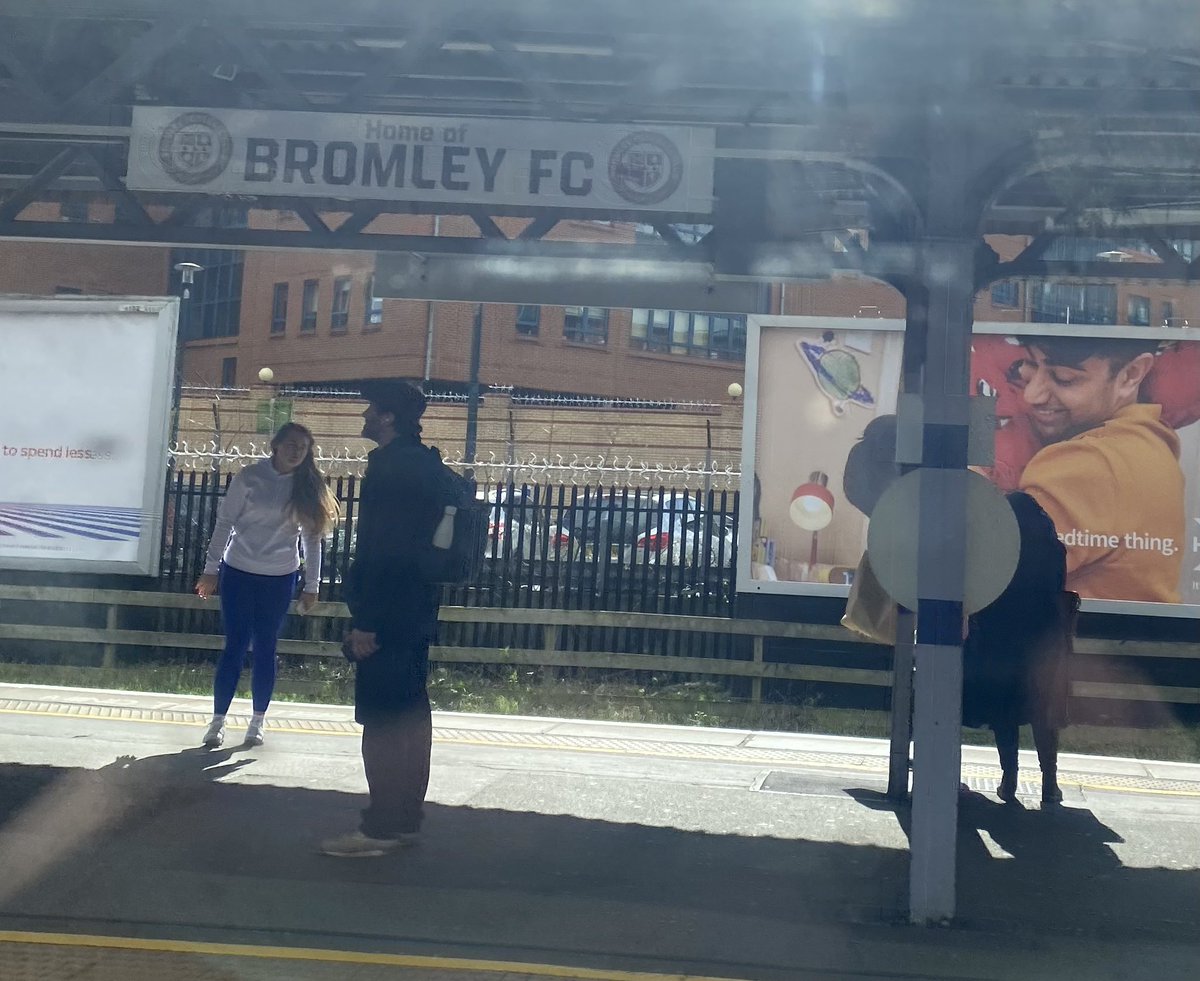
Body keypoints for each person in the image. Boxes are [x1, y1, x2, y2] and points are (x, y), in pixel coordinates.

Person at [320, 381, 445, 858]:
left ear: (389, 417)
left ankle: (381, 827)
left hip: (387, 613)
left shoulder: (392, 469)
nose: (366, 415)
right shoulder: (427, 464)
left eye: (372, 409)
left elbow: (385, 550)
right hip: (416, 610)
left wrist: (367, 622)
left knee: (384, 720)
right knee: (412, 714)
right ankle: (406, 817)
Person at [195, 423, 339, 748]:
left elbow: (312, 538)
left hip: (279, 577)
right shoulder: (249, 477)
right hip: (239, 571)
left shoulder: (307, 486)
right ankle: (218, 720)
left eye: (303, 447)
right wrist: (210, 570)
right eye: (290, 444)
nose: (296, 451)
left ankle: (258, 719)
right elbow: (225, 523)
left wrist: (312, 584)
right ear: (275, 445)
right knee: (235, 644)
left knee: (265, 646)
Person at [1016, 336, 1185, 603]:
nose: (1031, 395)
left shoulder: (1087, 461)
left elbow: (990, 575)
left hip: (1064, 642)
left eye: (1064, 378)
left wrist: (968, 484)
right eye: (1027, 366)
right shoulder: (1151, 444)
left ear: (1131, 374)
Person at [963, 491, 1077, 805]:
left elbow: (985, 592)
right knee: (1043, 710)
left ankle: (1009, 779)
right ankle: (1049, 783)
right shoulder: (1054, 550)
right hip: (1043, 639)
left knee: (1006, 711)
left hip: (1002, 638)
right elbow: (1056, 590)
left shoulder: (1001, 550)